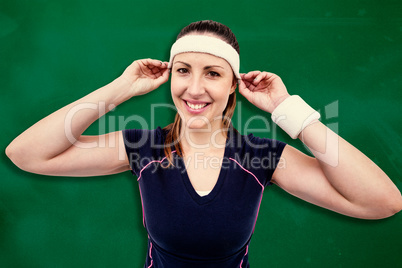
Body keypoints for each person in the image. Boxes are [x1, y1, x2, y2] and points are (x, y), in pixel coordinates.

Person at [6, 20, 402, 267]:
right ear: (170, 77)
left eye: (212, 73)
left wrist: (286, 109)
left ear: (233, 85)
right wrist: (120, 89)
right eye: (183, 71)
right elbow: (25, 154)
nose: (194, 88)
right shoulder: (143, 148)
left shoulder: (260, 156)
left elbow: (381, 202)